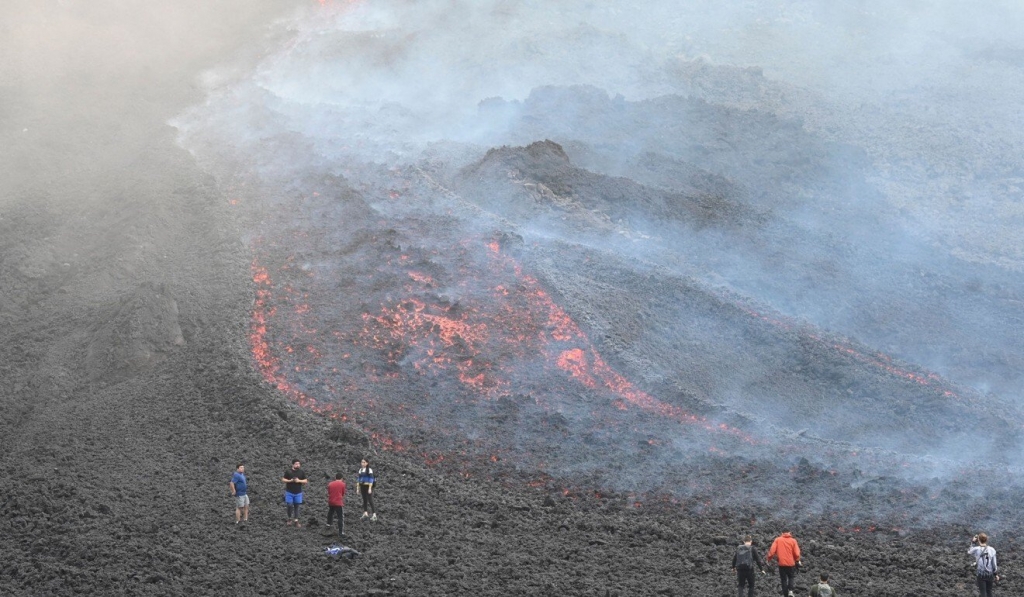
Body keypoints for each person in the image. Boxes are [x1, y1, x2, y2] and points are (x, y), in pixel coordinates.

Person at [766, 530, 801, 597]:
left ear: (782, 533)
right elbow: (797, 553)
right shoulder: (793, 541)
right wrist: (797, 560)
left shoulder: (777, 540)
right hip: (791, 563)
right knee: (791, 577)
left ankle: (786, 595)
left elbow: (772, 551)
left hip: (781, 564)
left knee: (783, 580)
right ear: (790, 532)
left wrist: (768, 559)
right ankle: (790, 591)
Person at [969, 532, 999, 597]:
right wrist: (996, 574)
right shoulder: (992, 549)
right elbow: (994, 564)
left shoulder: (976, 549)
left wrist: (973, 542)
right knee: (989, 592)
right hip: (990, 574)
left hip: (980, 575)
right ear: (986, 540)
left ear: (978, 540)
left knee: (983, 593)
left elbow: (969, 551)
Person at [281, 459, 308, 527]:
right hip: (289, 492)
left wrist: (299, 481)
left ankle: (296, 520)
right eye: (296, 464)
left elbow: (305, 481)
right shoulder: (288, 472)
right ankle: (289, 518)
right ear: (293, 464)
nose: (298, 465)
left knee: (296, 506)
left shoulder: (301, 472)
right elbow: (283, 479)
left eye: (299, 464)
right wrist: (290, 481)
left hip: (298, 492)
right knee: (289, 505)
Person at [327, 472, 347, 536]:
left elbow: (329, 492)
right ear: (342, 478)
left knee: (330, 513)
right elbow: (343, 493)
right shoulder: (343, 484)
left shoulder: (330, 484)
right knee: (340, 517)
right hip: (338, 502)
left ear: (335, 478)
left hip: (331, 501)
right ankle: (340, 532)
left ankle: (328, 525)